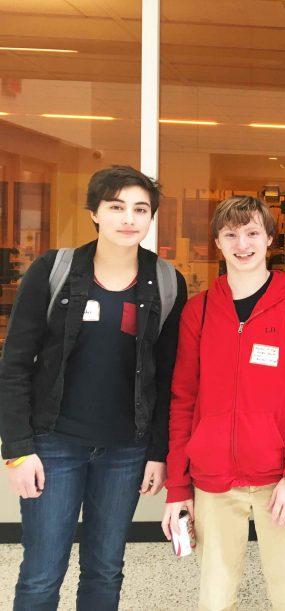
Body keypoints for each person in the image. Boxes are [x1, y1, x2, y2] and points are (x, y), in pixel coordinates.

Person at [0, 165, 187, 610]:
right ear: (95, 213)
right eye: (116, 206)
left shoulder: (165, 282)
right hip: (54, 445)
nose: (128, 218)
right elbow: (14, 365)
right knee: (42, 573)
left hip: (125, 451)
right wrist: (18, 449)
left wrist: (159, 452)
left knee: (105, 569)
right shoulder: (54, 269)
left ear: (150, 218)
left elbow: (169, 376)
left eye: (140, 209)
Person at [162, 196, 285, 610]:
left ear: (270, 239)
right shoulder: (198, 312)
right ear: (218, 242)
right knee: (214, 596)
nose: (243, 244)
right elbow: (183, 398)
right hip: (213, 479)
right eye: (231, 234)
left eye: (252, 232)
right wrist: (177, 487)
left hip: (280, 479)